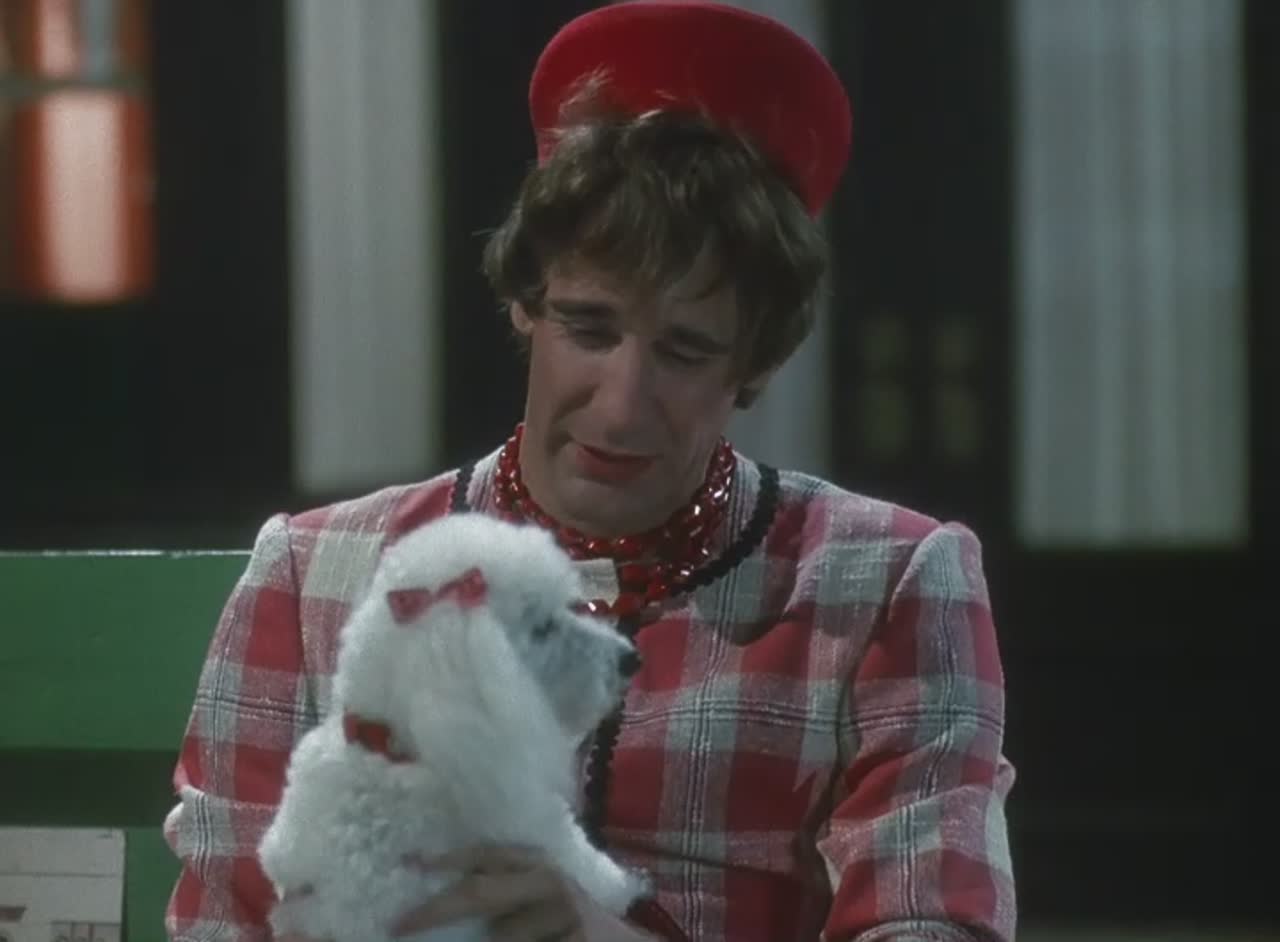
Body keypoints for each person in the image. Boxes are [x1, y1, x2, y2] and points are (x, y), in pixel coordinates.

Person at [162, 2, 1017, 940]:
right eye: (589, 327)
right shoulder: (316, 573)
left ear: (756, 362)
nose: (620, 406)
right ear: (526, 306)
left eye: (684, 351)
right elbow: (223, 922)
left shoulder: (885, 583)